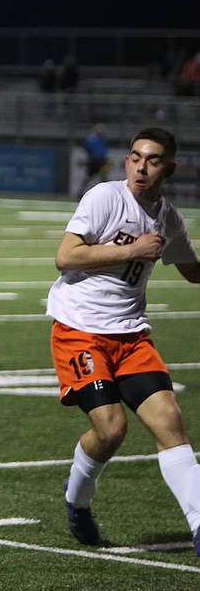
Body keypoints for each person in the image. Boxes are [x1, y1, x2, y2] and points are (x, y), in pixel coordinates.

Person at [47, 127, 200, 555]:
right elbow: (66, 256)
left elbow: (192, 270)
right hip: (79, 329)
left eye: (152, 161)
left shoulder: (168, 216)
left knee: (169, 420)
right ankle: (77, 501)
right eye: (135, 157)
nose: (141, 167)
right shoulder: (105, 197)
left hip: (130, 334)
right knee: (112, 429)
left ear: (168, 167)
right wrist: (131, 249)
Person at [76, 124, 109, 198]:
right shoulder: (92, 139)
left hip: (102, 161)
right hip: (94, 160)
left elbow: (104, 150)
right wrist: (91, 155)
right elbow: (86, 147)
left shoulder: (103, 139)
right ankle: (80, 192)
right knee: (88, 177)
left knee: (103, 178)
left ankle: (106, 193)